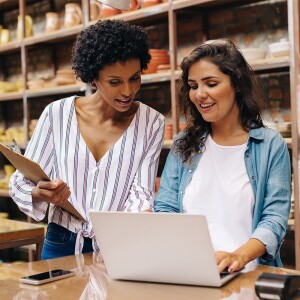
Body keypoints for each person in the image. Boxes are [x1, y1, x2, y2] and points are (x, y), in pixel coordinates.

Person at [9, 19, 165, 259]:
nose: (127, 91)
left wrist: (144, 222)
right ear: (93, 77)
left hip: (120, 244)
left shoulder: (152, 122)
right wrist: (42, 193)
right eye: (115, 82)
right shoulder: (57, 114)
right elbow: (21, 181)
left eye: (134, 78)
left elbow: (141, 193)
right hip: (61, 241)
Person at [154, 39, 291, 272]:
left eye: (211, 83)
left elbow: (274, 219)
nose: (199, 94)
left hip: (245, 274)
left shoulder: (269, 145)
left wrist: (238, 256)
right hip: (190, 272)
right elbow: (165, 208)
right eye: (193, 85)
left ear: (236, 84)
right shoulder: (183, 144)